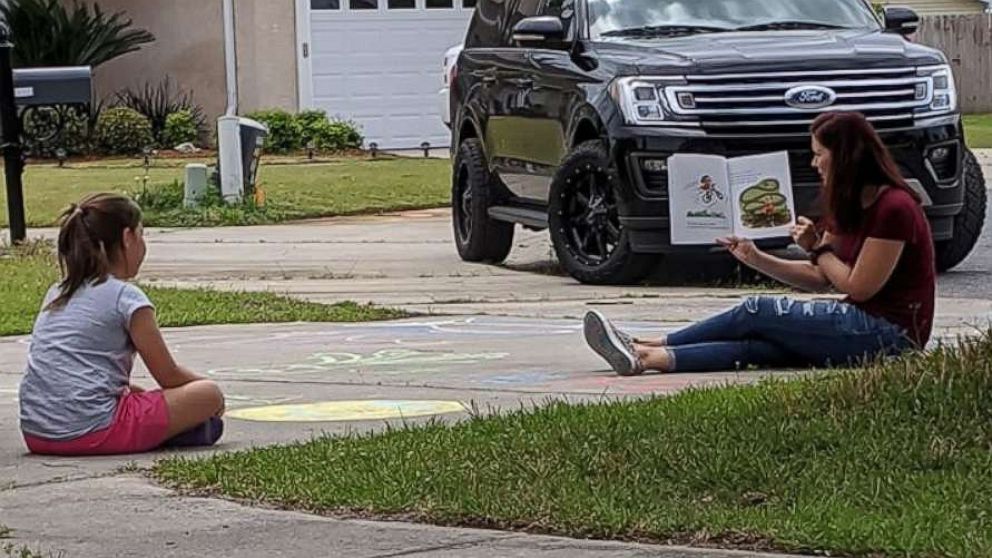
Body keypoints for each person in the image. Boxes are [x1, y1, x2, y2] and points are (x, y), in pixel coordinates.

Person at [584, 112, 935, 375]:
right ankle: (645, 358)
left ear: (845, 157)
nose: (814, 163)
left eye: (819, 153)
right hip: (863, 324)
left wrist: (818, 248)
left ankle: (652, 342)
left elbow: (859, 287)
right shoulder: (847, 204)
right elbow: (818, 277)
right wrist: (756, 257)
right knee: (758, 347)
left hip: (891, 335)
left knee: (757, 310)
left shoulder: (894, 208)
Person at [18, 193, 226, 456]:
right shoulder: (125, 297)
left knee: (134, 392)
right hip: (93, 430)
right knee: (207, 394)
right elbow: (168, 374)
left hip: (38, 433)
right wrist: (214, 397)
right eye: (142, 234)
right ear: (128, 238)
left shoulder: (57, 292)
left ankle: (177, 429)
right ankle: (183, 429)